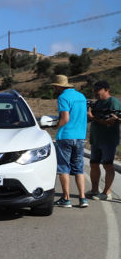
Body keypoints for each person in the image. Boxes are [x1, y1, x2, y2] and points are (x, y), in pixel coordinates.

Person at [53, 74, 89, 208]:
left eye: (54, 87)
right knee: (79, 168)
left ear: (58, 86)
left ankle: (66, 198)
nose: (54, 89)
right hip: (80, 136)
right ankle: (82, 198)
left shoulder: (62, 97)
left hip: (66, 136)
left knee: (63, 168)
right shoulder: (81, 96)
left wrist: (56, 126)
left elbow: (65, 118)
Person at [86, 80, 120, 201]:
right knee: (94, 164)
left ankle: (107, 192)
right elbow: (90, 119)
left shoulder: (113, 102)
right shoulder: (97, 103)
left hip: (108, 140)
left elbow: (111, 121)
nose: (95, 92)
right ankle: (95, 190)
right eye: (94, 90)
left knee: (107, 165)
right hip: (96, 139)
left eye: (97, 90)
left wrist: (93, 117)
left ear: (106, 89)